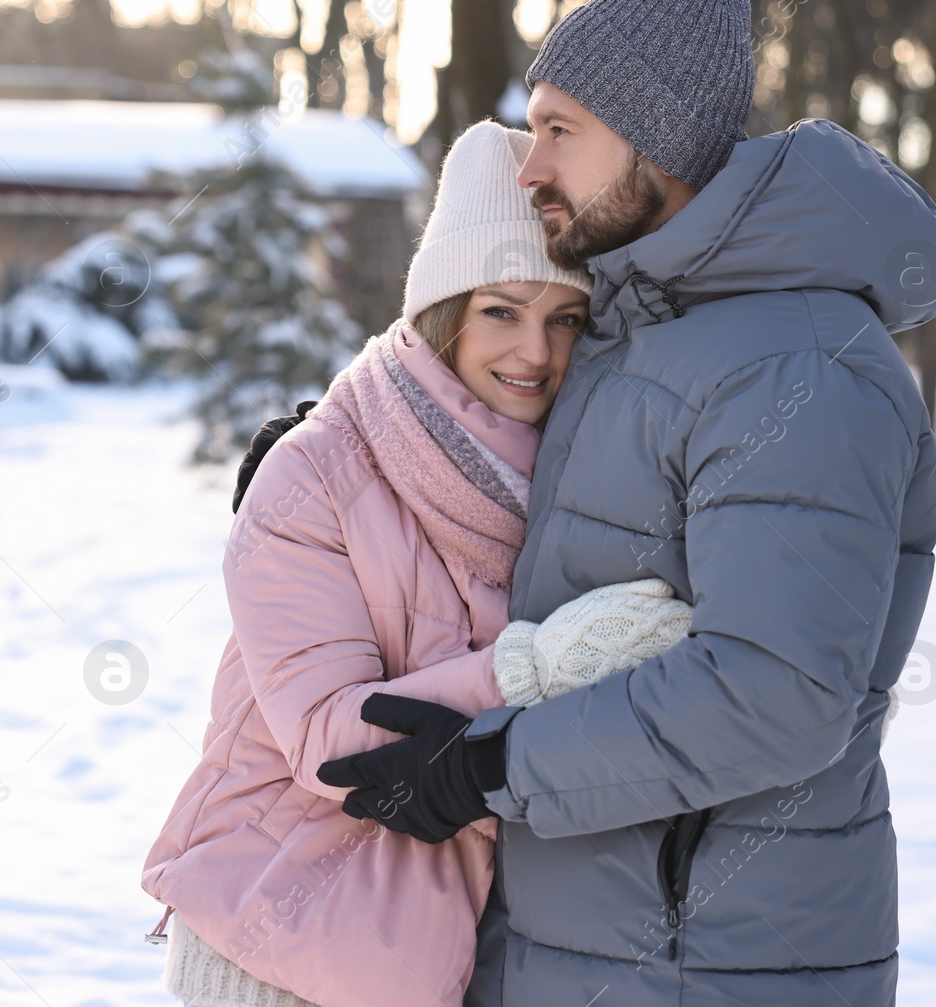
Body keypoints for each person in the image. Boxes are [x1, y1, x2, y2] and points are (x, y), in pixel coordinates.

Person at [308, 0, 936, 1006]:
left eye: (559, 128)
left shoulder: (795, 363)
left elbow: (772, 692)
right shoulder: (637, 324)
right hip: (587, 938)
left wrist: (490, 765)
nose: (529, 165)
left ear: (650, 138)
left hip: (708, 961)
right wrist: (338, 445)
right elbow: (488, 447)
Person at [142, 118, 704, 1007]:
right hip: (277, 953)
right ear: (443, 312)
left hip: (432, 962)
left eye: (565, 319)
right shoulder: (315, 469)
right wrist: (539, 667)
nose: (535, 353)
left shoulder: (573, 478)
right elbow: (330, 740)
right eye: (501, 312)